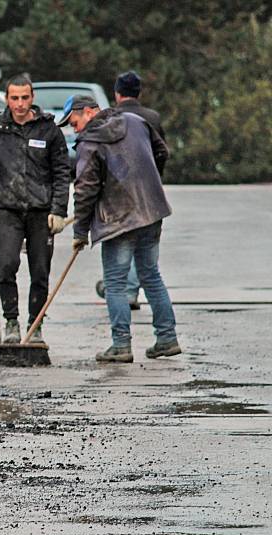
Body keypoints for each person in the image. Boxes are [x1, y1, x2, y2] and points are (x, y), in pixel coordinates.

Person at [59, 94, 181, 362]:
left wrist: (79, 232)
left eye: (74, 121)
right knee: (150, 274)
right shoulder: (136, 122)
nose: (73, 128)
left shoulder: (89, 143)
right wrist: (148, 179)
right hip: (151, 209)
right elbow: (162, 152)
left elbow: (85, 191)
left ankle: (121, 345)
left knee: (115, 283)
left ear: (89, 112)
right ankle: (167, 338)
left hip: (119, 219)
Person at [0, 73, 70, 344]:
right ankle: (11, 321)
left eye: (25, 98)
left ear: (32, 98)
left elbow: (62, 173)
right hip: (8, 209)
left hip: (40, 210)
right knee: (6, 264)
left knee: (40, 270)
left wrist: (59, 210)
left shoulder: (49, 130)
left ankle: (35, 325)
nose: (20, 104)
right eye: (15, 98)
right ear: (7, 99)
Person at [96, 70, 167, 309]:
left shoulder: (111, 118)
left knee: (119, 253)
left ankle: (124, 291)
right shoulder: (152, 117)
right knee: (148, 260)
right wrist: (155, 176)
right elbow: (161, 151)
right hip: (149, 194)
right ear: (139, 92)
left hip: (120, 194)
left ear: (117, 94)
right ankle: (132, 289)